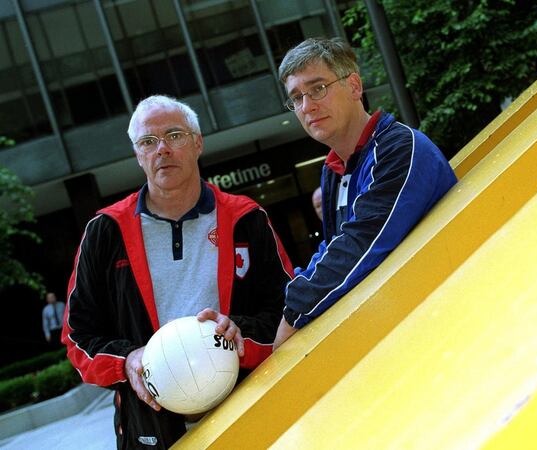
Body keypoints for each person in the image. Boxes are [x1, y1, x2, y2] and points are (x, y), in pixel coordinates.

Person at [61, 95, 293, 449]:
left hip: (251, 409)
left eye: (174, 136)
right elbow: (78, 336)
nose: (162, 150)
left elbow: (289, 311)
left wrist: (242, 335)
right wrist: (128, 360)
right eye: (148, 142)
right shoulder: (105, 231)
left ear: (198, 142)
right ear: (138, 155)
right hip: (151, 429)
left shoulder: (246, 218)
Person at [273, 37, 457, 348]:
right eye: (296, 98)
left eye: (317, 88)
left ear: (355, 87)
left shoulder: (399, 148)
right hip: (400, 329)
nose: (307, 106)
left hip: (445, 317)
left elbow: (356, 247)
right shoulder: (332, 171)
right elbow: (332, 250)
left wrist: (293, 314)